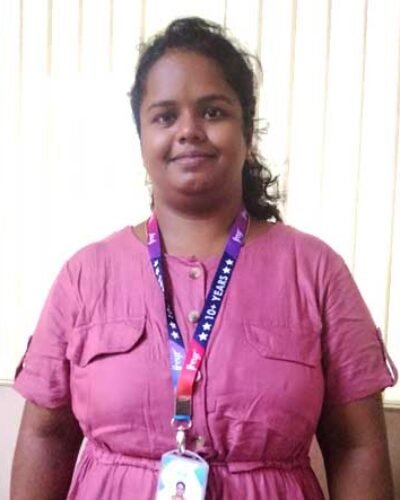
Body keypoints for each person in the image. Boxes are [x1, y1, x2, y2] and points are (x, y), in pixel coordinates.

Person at [11, 16, 397, 500]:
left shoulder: (316, 271)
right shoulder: (85, 276)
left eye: (213, 112)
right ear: (141, 138)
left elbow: (357, 446)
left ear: (248, 132)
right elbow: (45, 436)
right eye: (165, 116)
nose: (189, 130)